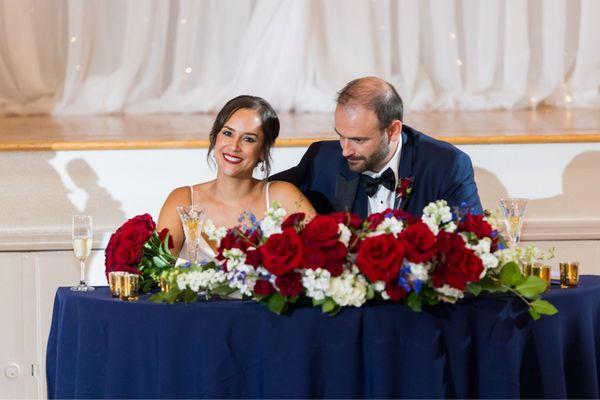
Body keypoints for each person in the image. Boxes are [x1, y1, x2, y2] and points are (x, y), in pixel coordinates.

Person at [271, 76, 482, 218]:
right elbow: (256, 191)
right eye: (340, 136)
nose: (345, 150)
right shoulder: (322, 159)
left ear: (393, 130)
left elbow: (477, 242)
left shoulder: (446, 166)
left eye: (358, 140)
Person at [158, 95, 315, 259]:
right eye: (227, 133)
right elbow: (155, 274)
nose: (234, 146)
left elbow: (325, 253)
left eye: (248, 139)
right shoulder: (184, 200)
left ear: (263, 150)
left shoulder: (282, 196)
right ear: (215, 138)